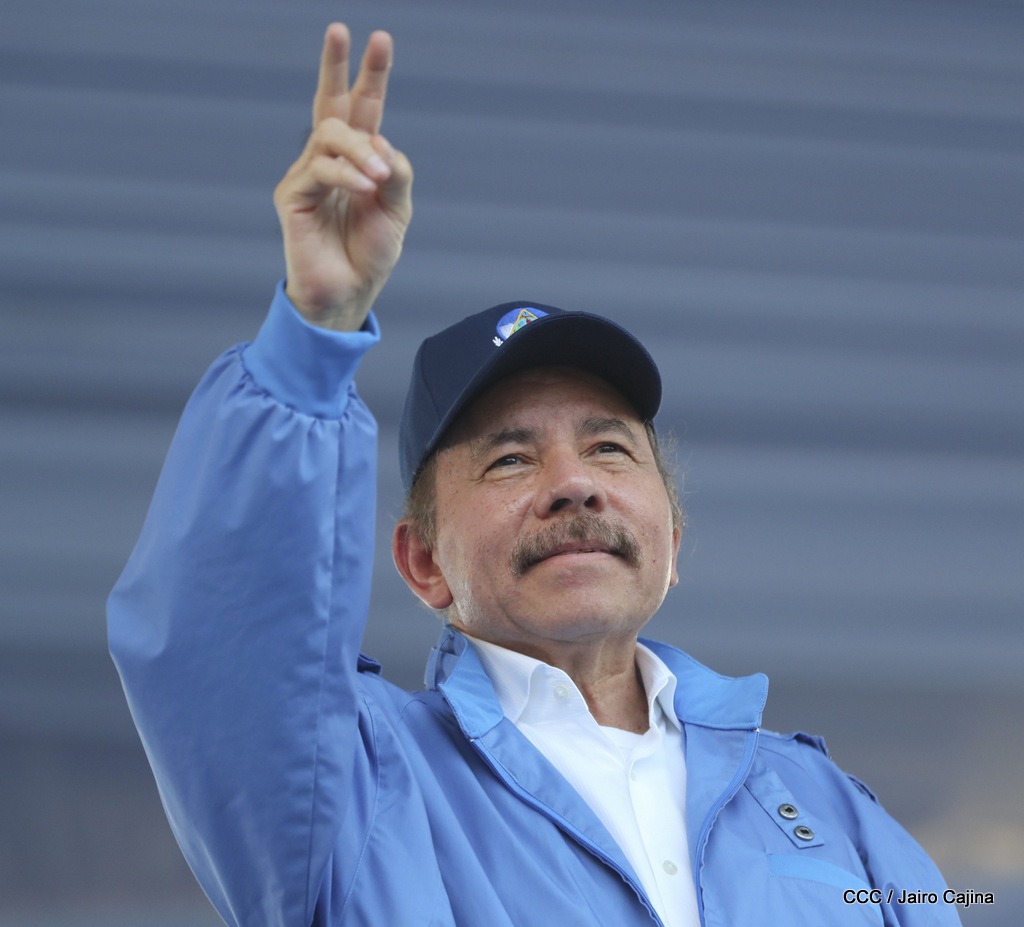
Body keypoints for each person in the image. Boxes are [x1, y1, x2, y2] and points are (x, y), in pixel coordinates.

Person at [109, 23, 961, 927]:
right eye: (510, 458)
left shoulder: (826, 808)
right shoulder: (358, 788)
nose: (573, 484)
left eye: (610, 448)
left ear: (672, 543)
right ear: (424, 563)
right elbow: (224, 647)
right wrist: (311, 338)